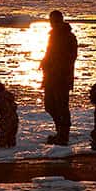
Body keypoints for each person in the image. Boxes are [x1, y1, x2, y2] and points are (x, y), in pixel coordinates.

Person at [40, 9, 78, 144]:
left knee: (62, 107)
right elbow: (49, 53)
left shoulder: (69, 37)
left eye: (55, 21)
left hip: (62, 78)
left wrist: (60, 71)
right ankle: (60, 131)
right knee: (49, 106)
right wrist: (44, 62)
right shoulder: (52, 36)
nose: (53, 23)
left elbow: (71, 58)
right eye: (51, 21)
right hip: (50, 77)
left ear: (61, 20)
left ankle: (63, 136)